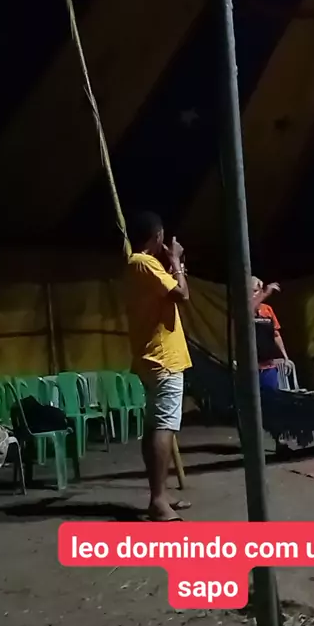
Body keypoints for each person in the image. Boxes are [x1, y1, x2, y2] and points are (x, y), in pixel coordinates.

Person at [124, 211, 192, 521]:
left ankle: (160, 494)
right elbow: (182, 294)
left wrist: (173, 268)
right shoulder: (143, 263)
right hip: (163, 359)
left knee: (155, 426)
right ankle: (158, 501)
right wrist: (176, 262)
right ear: (158, 236)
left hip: (153, 358)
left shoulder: (140, 266)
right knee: (163, 427)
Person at [251, 277, 291, 390]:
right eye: (249, 292)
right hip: (250, 369)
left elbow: (276, 335)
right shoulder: (244, 309)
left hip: (268, 367)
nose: (252, 295)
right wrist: (266, 294)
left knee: (272, 395)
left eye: (255, 291)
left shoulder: (267, 309)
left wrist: (286, 357)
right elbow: (249, 310)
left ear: (260, 291)